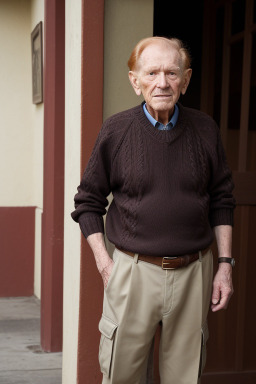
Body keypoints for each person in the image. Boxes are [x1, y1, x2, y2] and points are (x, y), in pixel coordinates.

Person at [71, 36, 235, 384]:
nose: (162, 82)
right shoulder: (116, 130)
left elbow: (222, 199)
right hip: (133, 273)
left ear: (186, 80)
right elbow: (87, 202)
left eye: (172, 73)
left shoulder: (205, 128)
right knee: (122, 376)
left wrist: (224, 266)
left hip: (195, 272)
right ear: (135, 81)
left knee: (185, 376)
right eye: (152, 73)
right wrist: (106, 266)